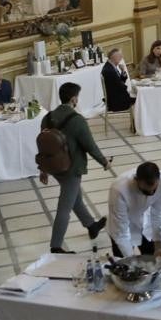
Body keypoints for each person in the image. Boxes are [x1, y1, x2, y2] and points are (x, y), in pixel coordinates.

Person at [39, 84, 109, 254]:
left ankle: (91, 225)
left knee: (74, 198)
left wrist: (43, 169)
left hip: (55, 167)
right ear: (73, 99)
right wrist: (104, 162)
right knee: (64, 208)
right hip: (71, 169)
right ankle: (56, 246)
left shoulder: (47, 118)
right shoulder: (77, 120)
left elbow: (44, 146)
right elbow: (90, 146)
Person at [107, 162, 161, 258]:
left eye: (154, 190)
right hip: (121, 226)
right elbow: (122, 234)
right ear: (136, 180)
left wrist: (159, 248)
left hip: (145, 222)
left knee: (152, 259)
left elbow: (158, 214)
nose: (151, 193)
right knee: (124, 264)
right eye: (145, 191)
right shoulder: (119, 190)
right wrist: (132, 262)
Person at [102, 48, 136, 113]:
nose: (121, 58)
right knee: (139, 98)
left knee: (136, 95)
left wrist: (123, 70)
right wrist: (129, 91)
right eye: (120, 56)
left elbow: (121, 82)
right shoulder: (109, 71)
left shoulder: (111, 66)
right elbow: (121, 86)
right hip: (116, 103)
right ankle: (138, 120)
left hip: (116, 97)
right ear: (114, 57)